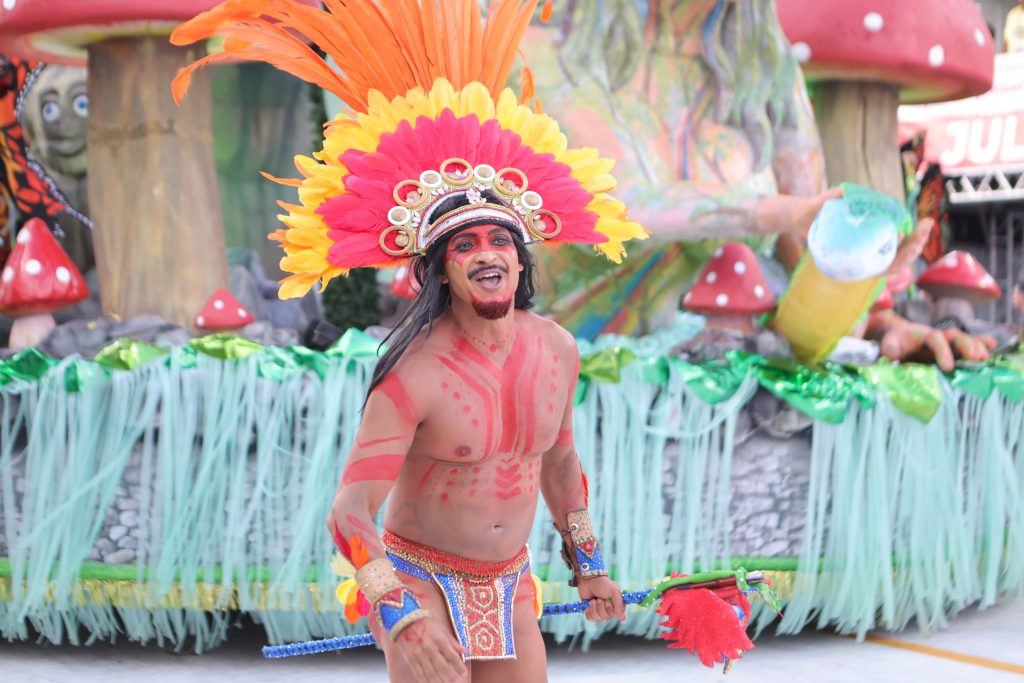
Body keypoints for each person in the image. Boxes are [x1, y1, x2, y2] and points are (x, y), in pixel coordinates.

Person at [172, 2, 648, 681]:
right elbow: (349, 513)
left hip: (508, 577)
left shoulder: (558, 351)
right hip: (416, 577)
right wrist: (399, 612)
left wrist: (589, 563)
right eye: (465, 244)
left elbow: (560, 463)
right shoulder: (415, 376)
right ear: (440, 270)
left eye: (499, 241)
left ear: (521, 261)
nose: (486, 254)